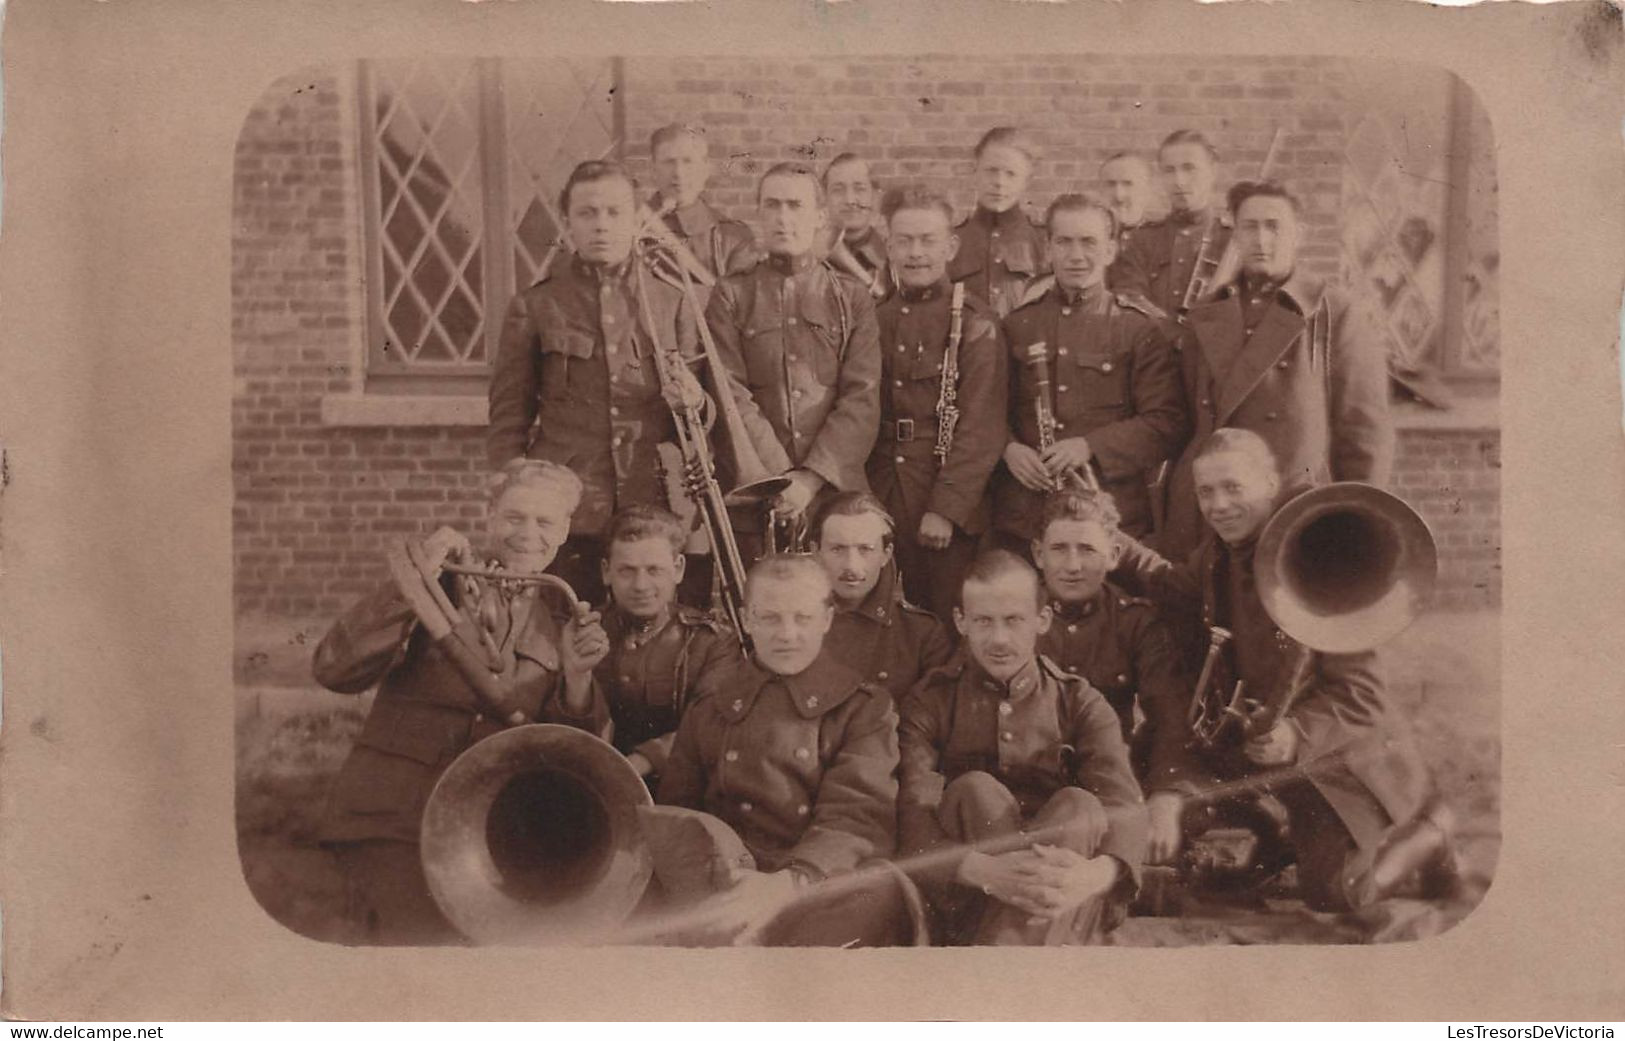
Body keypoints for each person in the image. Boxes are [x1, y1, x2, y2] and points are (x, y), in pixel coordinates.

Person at [1117, 428, 1453, 912]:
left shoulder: (1315, 554)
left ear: (1271, 483)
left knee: (1339, 893)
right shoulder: (1217, 553)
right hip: (1256, 747)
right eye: (1206, 492)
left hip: (1335, 760)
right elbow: (1171, 584)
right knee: (1160, 767)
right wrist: (1113, 546)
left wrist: (1295, 734)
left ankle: (1432, 830)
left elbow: (1364, 693)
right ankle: (1280, 838)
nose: (1219, 505)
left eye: (1233, 488)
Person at [312, 460, 612, 944]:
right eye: (514, 517)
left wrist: (577, 678)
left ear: (565, 531)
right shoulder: (436, 582)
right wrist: (412, 585)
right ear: (488, 514)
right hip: (392, 820)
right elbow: (334, 669)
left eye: (545, 522)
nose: (527, 535)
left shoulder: (561, 617)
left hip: (486, 841)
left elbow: (568, 753)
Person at [488, 159, 720, 606]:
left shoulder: (675, 298)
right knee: (566, 627)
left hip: (657, 503)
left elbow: (709, 413)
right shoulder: (537, 305)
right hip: (568, 509)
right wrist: (514, 505)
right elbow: (508, 418)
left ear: (637, 218)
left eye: (615, 212)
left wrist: (697, 400)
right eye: (587, 213)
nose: (601, 225)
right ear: (568, 222)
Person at [654, 555, 909, 946]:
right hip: (726, 883)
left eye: (802, 618)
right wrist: (720, 887)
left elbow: (857, 816)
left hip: (814, 884)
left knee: (876, 891)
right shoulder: (711, 705)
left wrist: (787, 883)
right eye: (770, 618)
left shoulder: (863, 708)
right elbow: (679, 813)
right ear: (747, 619)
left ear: (826, 619)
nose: (787, 634)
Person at [897, 550, 1147, 945]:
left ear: (1041, 620)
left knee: (1078, 806)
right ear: (961, 622)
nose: (999, 639)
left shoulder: (1078, 701)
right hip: (970, 896)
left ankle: (996, 969)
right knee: (975, 790)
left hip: (1066, 891)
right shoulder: (931, 703)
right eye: (983, 621)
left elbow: (1124, 805)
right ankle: (1021, 972)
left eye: (1013, 621)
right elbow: (913, 815)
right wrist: (980, 869)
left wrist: (1094, 874)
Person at [1156, 179, 1395, 561]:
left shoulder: (1334, 311)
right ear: (1234, 233)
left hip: (1291, 502)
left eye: (1274, 226)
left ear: (1299, 234)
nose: (1261, 239)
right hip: (1210, 508)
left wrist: (1356, 515)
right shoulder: (1205, 313)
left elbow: (1362, 429)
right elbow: (1181, 415)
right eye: (1249, 226)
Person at [704, 162, 882, 556]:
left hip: (834, 495)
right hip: (756, 495)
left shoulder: (851, 297)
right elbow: (729, 392)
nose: (783, 217)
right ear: (759, 214)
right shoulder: (732, 295)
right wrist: (780, 481)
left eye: (795, 206)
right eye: (773, 205)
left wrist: (810, 480)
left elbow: (862, 397)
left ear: (820, 216)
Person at [994, 193, 1189, 548]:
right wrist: (1009, 449)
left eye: (1089, 242)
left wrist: (1090, 446)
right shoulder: (1017, 325)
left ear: (1111, 250)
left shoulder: (1138, 329)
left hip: (1111, 516)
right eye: (1064, 242)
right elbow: (987, 410)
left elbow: (1166, 422)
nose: (1076, 255)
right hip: (1026, 516)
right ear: (1048, 248)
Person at [866, 184, 1008, 621]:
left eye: (928, 240)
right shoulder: (873, 319)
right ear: (888, 245)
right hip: (880, 492)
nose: (915, 252)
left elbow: (981, 428)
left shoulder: (976, 323)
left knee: (948, 622)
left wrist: (945, 510)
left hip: (944, 501)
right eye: (904, 240)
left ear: (950, 247)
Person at [1031, 489, 1188, 779]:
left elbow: (1169, 722)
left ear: (1114, 555)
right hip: (1030, 781)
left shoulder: (1136, 623)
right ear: (1039, 555)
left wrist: (1167, 794)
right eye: (1059, 549)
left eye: (1088, 550)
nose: (1073, 566)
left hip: (1113, 777)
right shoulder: (1013, 615)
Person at [594, 505, 740, 786]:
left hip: (682, 786)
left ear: (678, 569)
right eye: (626, 571)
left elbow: (710, 723)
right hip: (596, 781)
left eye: (654, 570)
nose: (641, 584)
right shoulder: (585, 630)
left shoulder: (712, 641)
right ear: (606, 572)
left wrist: (640, 762)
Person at [809, 491, 955, 700]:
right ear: (816, 552)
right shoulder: (794, 625)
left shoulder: (921, 635)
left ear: (886, 554)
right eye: (837, 549)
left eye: (865, 549)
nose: (851, 565)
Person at [1115, 129, 1231, 317]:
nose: (1179, 181)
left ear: (1213, 171)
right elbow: (1129, 298)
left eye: (1189, 168)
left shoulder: (1233, 241)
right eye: (1169, 171)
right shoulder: (1141, 240)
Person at [647, 122, 759, 305]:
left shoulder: (733, 238)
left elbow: (744, 310)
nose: (679, 173)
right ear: (653, 168)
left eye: (688, 161)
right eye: (669, 162)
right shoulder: (630, 231)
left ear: (705, 168)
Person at [947, 127, 1048, 319]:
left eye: (1011, 174)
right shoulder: (953, 239)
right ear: (974, 171)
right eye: (991, 171)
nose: (999, 182)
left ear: (1027, 181)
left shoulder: (1043, 242)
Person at [822, 152, 889, 299]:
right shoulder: (811, 260)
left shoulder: (893, 256)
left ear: (874, 196)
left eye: (860, 189)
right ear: (825, 198)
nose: (850, 200)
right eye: (838, 190)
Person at [1098, 151, 1157, 293]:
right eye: (1111, 184)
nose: (1119, 195)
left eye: (1128, 184)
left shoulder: (1160, 239)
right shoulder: (1090, 238)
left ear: (1147, 190)